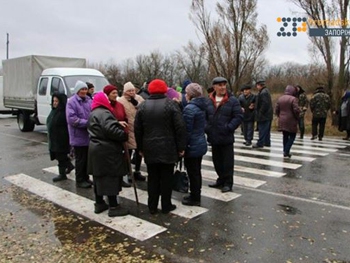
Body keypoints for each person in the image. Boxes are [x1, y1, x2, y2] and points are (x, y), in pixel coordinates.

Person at [134, 79, 186, 214]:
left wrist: (140, 148)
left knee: (152, 178)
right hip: (168, 147)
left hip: (149, 147)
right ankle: (166, 205)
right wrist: (181, 147)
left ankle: (152, 206)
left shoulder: (142, 106)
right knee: (166, 178)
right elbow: (180, 127)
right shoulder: (171, 105)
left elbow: (137, 129)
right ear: (164, 90)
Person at [88, 91, 129, 217]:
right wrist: (123, 135)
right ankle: (114, 206)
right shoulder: (105, 113)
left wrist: (116, 122)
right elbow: (110, 130)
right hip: (107, 150)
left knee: (98, 177)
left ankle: (99, 203)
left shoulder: (94, 112)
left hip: (96, 148)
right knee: (110, 177)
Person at [206, 77, 243, 193]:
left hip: (226, 136)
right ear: (214, 87)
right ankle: (220, 180)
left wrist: (229, 128)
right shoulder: (209, 100)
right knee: (217, 161)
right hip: (214, 136)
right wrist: (207, 128)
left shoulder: (232, 101)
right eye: (220, 85)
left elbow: (238, 117)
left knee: (227, 162)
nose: (222, 87)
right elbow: (204, 117)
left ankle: (228, 183)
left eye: (224, 85)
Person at [181, 83, 208, 206]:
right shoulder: (202, 106)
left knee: (193, 172)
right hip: (200, 142)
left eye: (186, 93)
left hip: (192, 145)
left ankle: (194, 196)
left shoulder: (189, 108)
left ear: (191, 95)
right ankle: (196, 194)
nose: (185, 95)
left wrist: (182, 147)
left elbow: (186, 130)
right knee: (197, 171)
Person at [103, 84, 131, 188]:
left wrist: (125, 129)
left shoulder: (120, 105)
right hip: (110, 137)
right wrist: (117, 123)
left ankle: (120, 179)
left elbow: (125, 117)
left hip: (120, 135)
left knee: (121, 159)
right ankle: (112, 181)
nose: (115, 95)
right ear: (107, 94)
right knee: (112, 161)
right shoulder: (105, 106)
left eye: (116, 93)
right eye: (113, 93)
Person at [118, 81, 146, 181]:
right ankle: (128, 172)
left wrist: (137, 104)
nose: (131, 92)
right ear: (125, 92)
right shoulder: (120, 101)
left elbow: (145, 109)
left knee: (139, 151)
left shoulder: (139, 98)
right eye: (129, 91)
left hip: (139, 129)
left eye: (133, 90)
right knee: (128, 152)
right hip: (128, 128)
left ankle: (137, 171)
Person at [66, 81, 92, 188]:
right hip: (78, 136)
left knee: (86, 159)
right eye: (82, 89)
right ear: (77, 90)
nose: (84, 91)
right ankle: (80, 179)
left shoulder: (89, 100)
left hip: (88, 135)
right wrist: (87, 123)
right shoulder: (71, 102)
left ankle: (86, 177)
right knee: (80, 159)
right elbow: (72, 119)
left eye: (85, 89)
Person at [47, 93, 74, 182]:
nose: (55, 103)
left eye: (57, 101)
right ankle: (69, 165)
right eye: (54, 101)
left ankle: (62, 174)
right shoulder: (54, 111)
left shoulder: (63, 113)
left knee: (60, 157)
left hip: (61, 140)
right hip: (54, 139)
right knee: (60, 156)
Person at [275, 85, 301, 158]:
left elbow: (277, 109)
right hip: (291, 119)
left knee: (285, 135)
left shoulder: (280, 98)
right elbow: (296, 110)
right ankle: (286, 151)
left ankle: (285, 151)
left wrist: (279, 116)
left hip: (282, 119)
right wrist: (298, 117)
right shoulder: (294, 99)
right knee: (292, 135)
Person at [253, 80, 273, 148]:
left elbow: (264, 104)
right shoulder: (265, 91)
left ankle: (260, 143)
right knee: (266, 130)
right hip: (268, 114)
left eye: (257, 85)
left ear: (259, 85)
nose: (257, 87)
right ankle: (267, 142)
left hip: (264, 115)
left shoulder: (263, 93)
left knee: (262, 129)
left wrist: (260, 112)